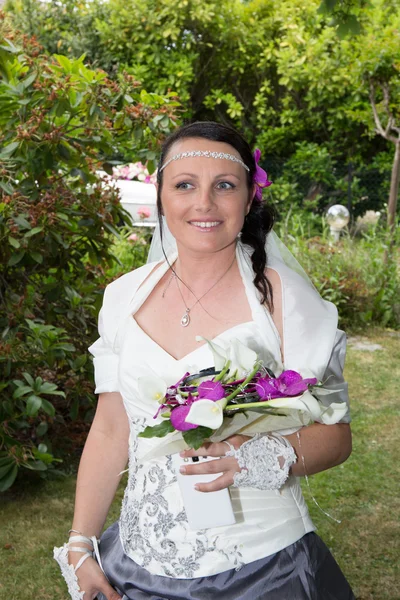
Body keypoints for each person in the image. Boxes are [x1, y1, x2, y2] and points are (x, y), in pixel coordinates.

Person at [55, 121, 355, 600]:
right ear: (161, 195)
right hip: (134, 567)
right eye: (184, 185)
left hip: (261, 571)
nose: (203, 204)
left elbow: (337, 438)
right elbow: (112, 427)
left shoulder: (284, 300)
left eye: (225, 186)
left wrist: (256, 456)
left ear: (248, 197)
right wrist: (80, 544)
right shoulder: (122, 298)